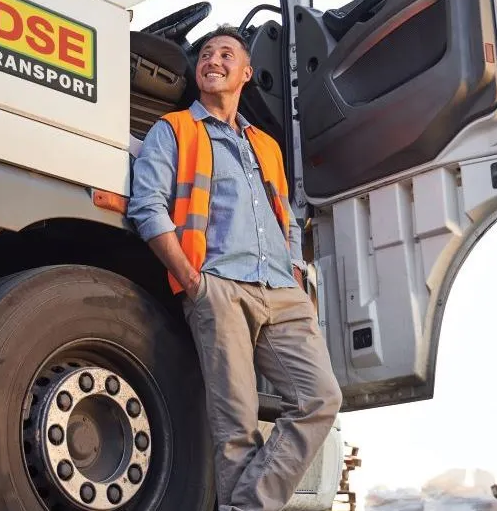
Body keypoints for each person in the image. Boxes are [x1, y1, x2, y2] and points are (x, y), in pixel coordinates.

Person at [127, 25, 343, 511]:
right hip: (219, 287)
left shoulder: (265, 145)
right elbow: (147, 206)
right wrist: (192, 281)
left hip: (282, 291)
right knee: (236, 427)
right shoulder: (174, 129)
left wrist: (295, 272)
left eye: (226, 54)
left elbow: (285, 217)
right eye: (206, 53)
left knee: (320, 399)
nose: (213, 60)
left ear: (246, 72)